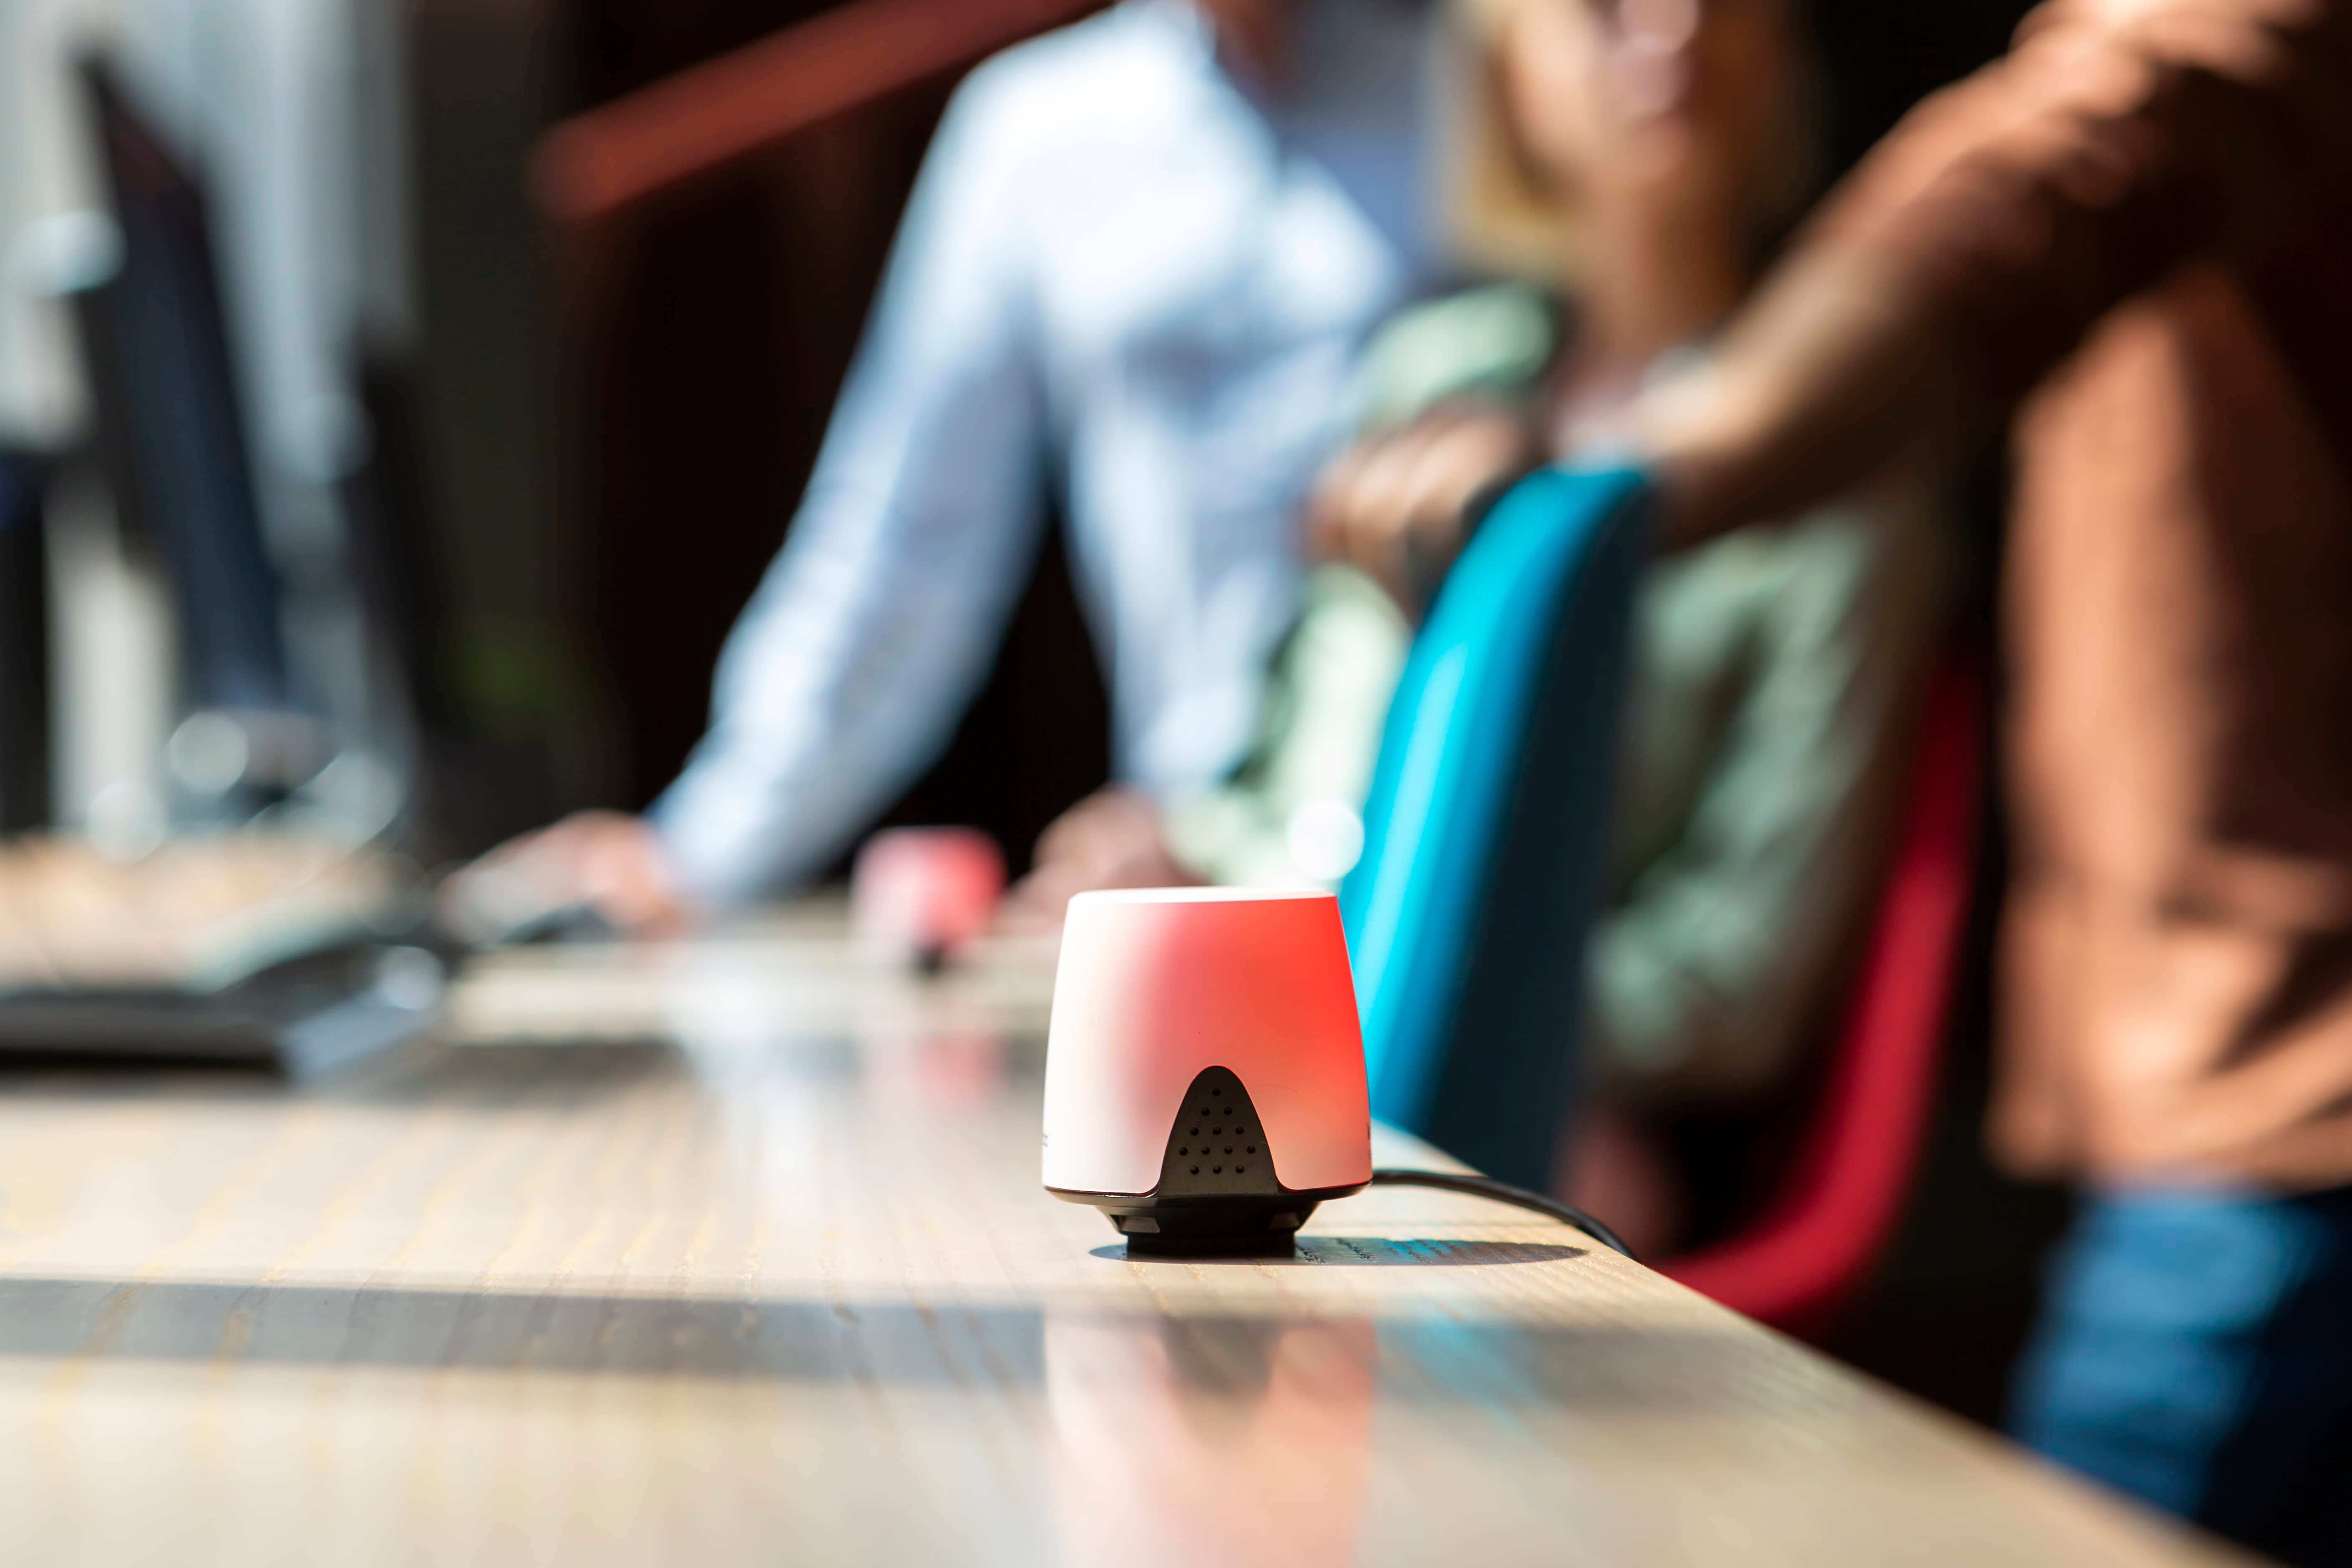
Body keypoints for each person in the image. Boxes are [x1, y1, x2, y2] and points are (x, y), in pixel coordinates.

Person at [1320, 0, 2352, 1557]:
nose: (1661, 38)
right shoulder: (1448, 370)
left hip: (2278, 1095)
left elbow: (2081, 155)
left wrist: (1645, 475)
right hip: (2196, 1097)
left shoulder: (1783, 486)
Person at [1012, 0, 1955, 1252]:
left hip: (1551, 1113)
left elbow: (1741, 976)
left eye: (1725, 1)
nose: (1672, 29)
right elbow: (1313, 764)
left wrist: (1396, 991)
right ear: (1509, 80)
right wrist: (1182, 863)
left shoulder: (1837, 483)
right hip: (1313, 1057)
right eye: (1603, 10)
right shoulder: (1436, 378)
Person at [446, 0, 1434, 936]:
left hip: (1463, 834)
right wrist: (697, 850)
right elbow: (902, 539)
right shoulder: (1039, 130)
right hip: (1210, 864)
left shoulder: (1502, 83)